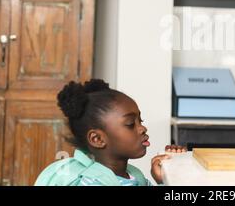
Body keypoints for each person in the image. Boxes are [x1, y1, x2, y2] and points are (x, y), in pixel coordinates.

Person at [35, 79, 186, 186]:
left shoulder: (133, 175)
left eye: (141, 121)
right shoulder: (92, 183)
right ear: (97, 139)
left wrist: (164, 178)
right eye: (130, 124)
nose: (142, 128)